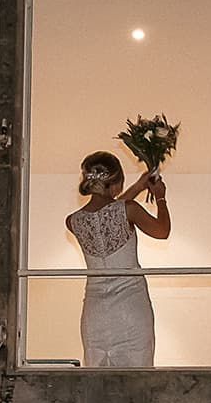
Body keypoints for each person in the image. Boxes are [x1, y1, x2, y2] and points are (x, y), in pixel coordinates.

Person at [66, 150, 172, 367]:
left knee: (98, 379)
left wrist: (137, 188)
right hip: (131, 308)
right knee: (137, 377)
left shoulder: (72, 221)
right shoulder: (129, 209)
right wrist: (160, 196)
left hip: (95, 313)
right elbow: (162, 231)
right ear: (117, 183)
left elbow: (107, 212)